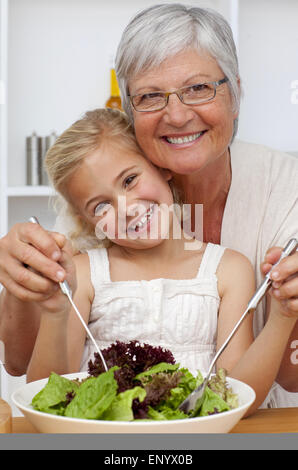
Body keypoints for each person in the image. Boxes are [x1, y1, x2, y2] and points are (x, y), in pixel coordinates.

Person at [0, 4, 297, 407]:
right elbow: (33, 378)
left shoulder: (255, 235)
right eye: (151, 96)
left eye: (198, 87)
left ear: (236, 93)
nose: (176, 115)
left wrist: (286, 312)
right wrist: (27, 289)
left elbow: (247, 391)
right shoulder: (86, 260)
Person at [24, 107, 296, 417]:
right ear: (88, 221)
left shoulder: (228, 270)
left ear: (160, 167)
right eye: (101, 206)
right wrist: (55, 313)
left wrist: (283, 315)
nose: (126, 208)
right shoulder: (85, 275)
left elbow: (235, 397)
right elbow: (47, 397)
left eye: (129, 180)